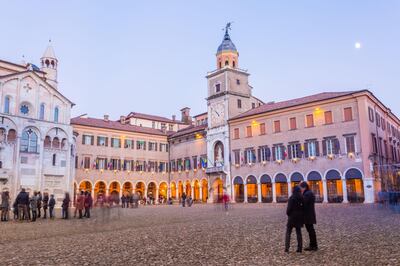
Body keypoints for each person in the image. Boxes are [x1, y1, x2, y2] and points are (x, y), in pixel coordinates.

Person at [299, 181, 318, 251]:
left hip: (308, 215)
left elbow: (303, 203)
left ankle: (313, 245)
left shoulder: (307, 194)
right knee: (311, 230)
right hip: (309, 214)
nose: (300, 189)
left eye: (301, 187)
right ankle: (313, 245)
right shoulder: (309, 193)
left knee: (310, 230)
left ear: (304, 187)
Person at [285, 186, 304, 253]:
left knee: (288, 232)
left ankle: (287, 248)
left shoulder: (291, 198)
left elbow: (288, 209)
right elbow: (304, 207)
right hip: (299, 217)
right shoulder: (302, 198)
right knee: (298, 232)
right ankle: (300, 248)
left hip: (292, 216)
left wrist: (288, 214)